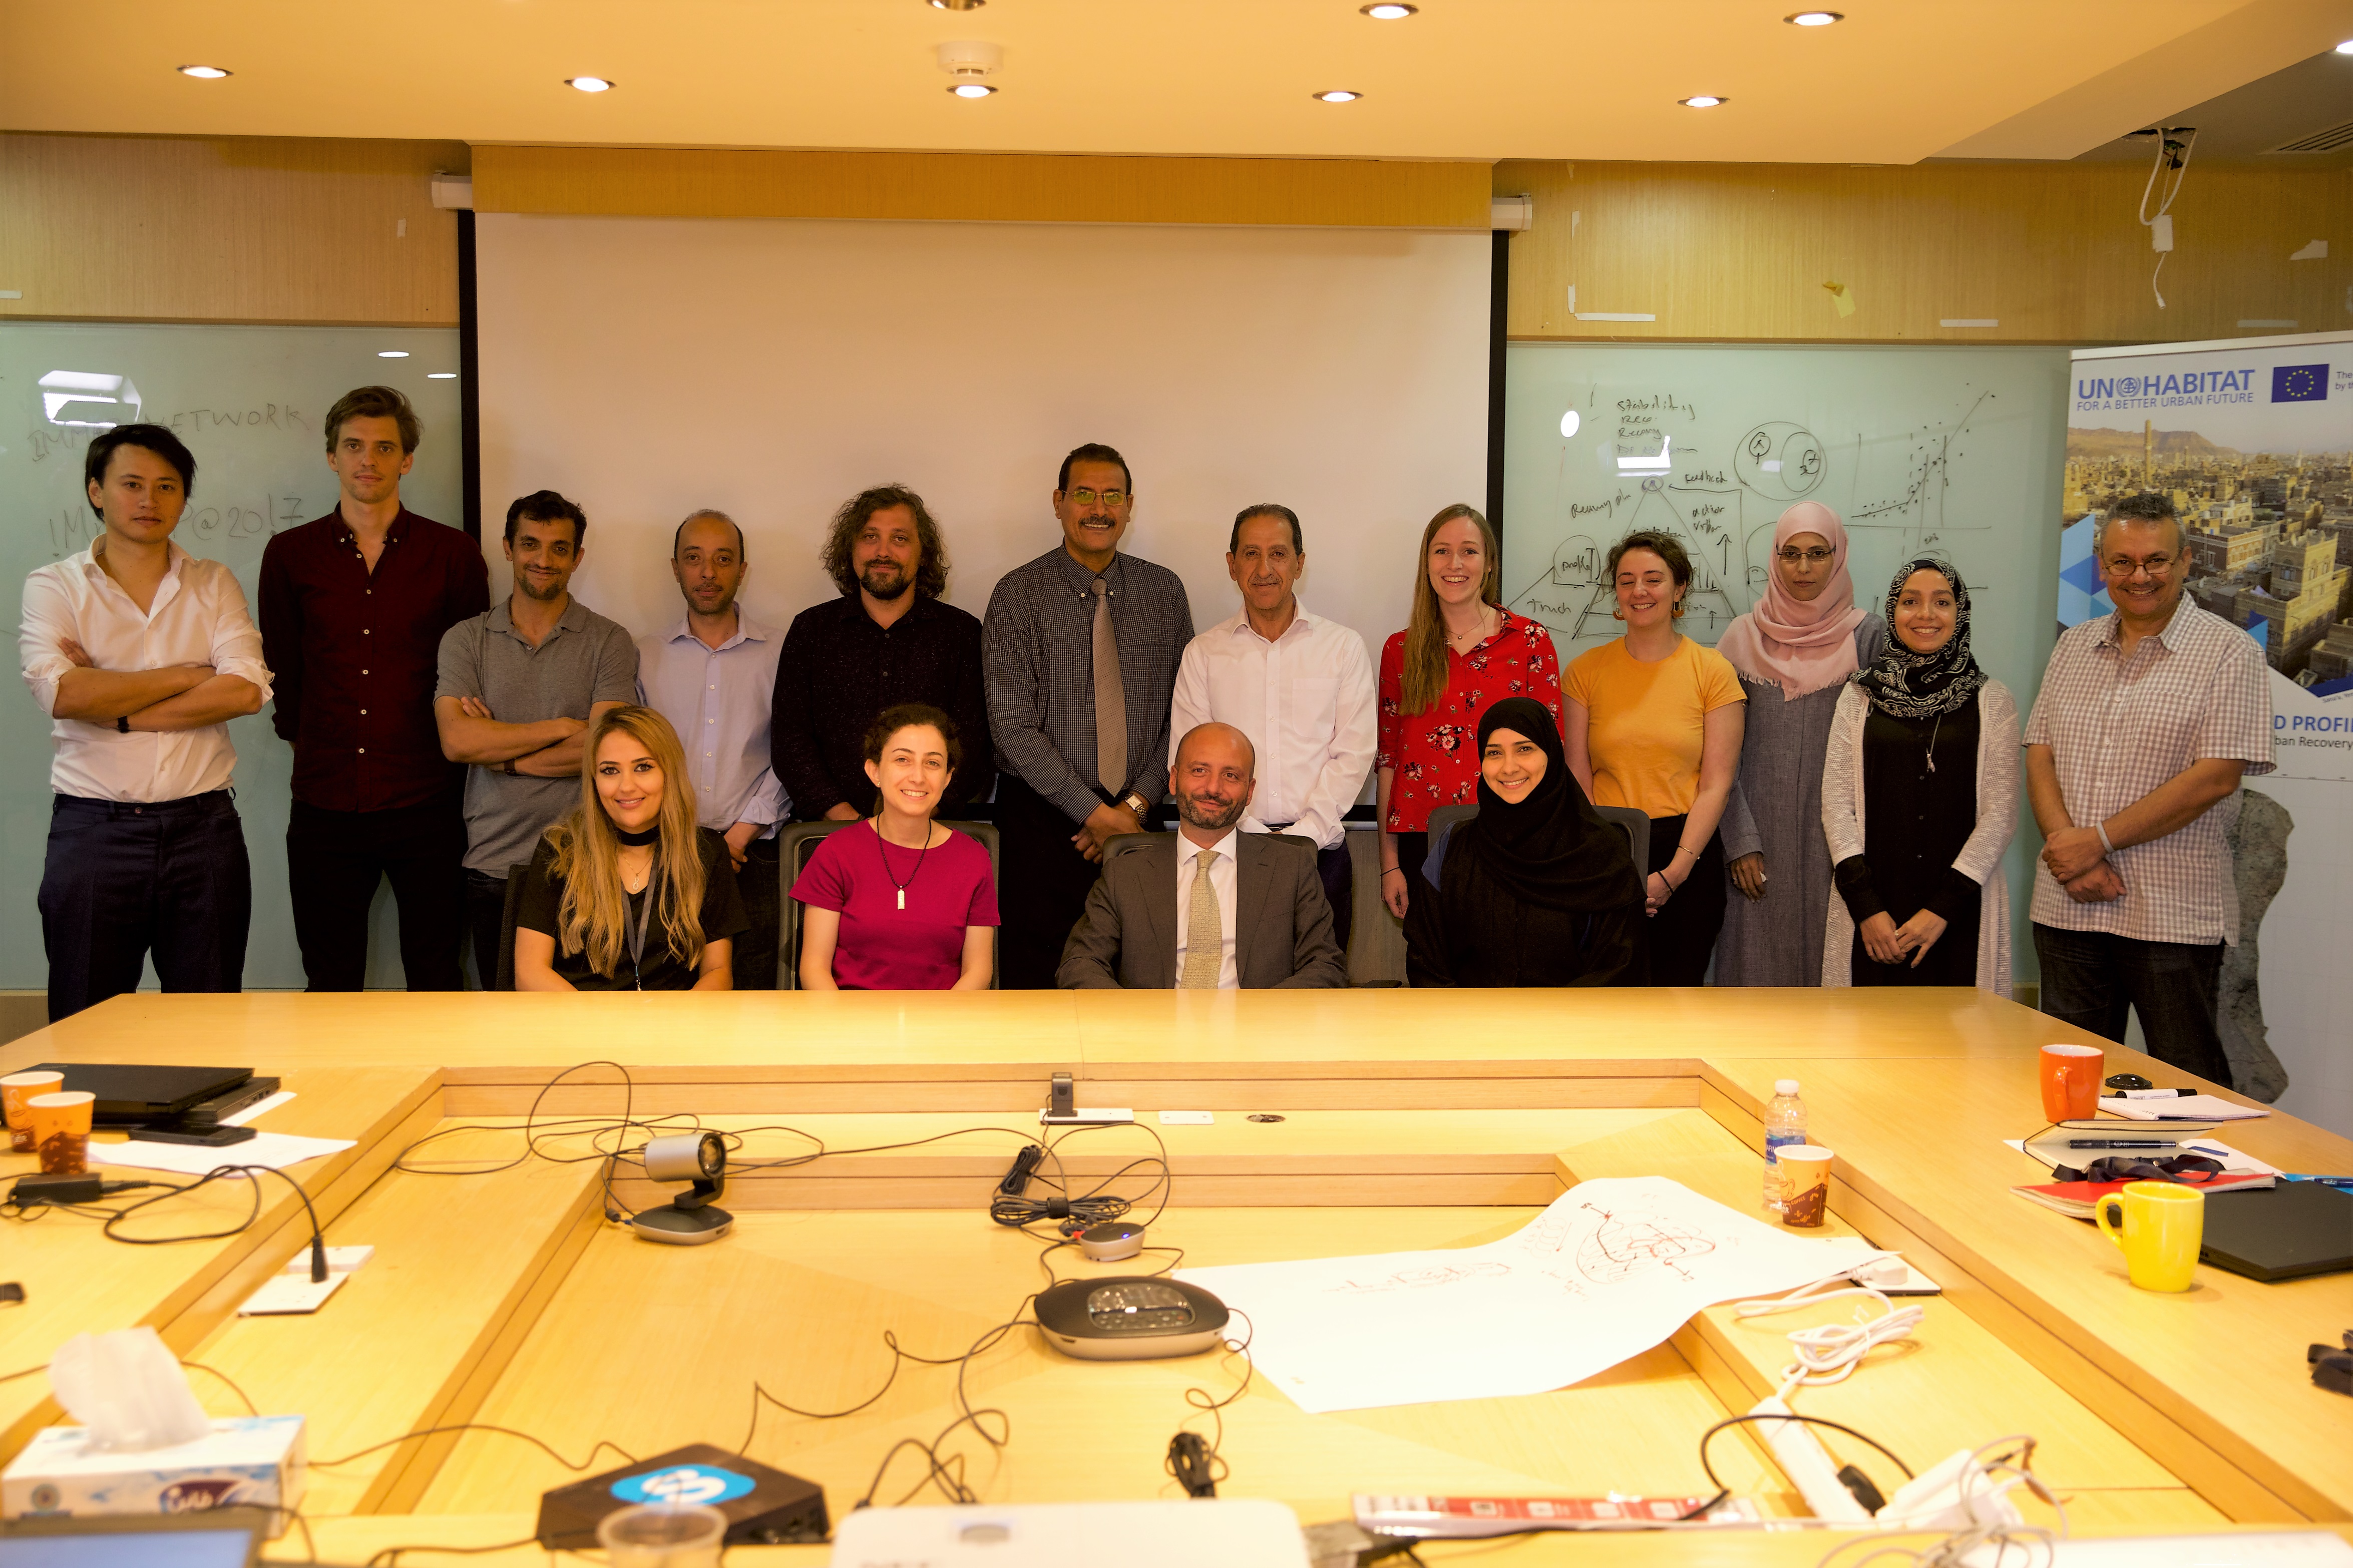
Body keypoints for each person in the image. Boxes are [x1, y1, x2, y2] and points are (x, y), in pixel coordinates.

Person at [20, 424, 271, 1021]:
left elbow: (245, 689)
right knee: (84, 1021)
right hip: (95, 832)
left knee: (209, 1022)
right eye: (131, 484)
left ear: (184, 499)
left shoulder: (213, 582)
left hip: (204, 829)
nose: (149, 500)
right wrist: (190, 673)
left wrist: (120, 710)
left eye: (167, 486)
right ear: (96, 491)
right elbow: (60, 692)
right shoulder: (53, 584)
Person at [2024, 493, 2273, 1080]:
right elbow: (2040, 752)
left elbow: (2215, 777)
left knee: (2186, 1084)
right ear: (2102, 567)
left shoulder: (2228, 653)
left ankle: (2188, 1179)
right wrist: (2071, 851)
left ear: (2186, 561)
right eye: (2122, 563)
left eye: (2155, 561)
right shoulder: (2072, 647)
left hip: (2171, 913)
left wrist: (2099, 840)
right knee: (2071, 1086)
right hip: (2068, 906)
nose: (2139, 576)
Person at [258, 386, 488, 993]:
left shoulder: (453, 556)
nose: (369, 459)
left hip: (428, 801)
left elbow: (470, 673)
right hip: (324, 803)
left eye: (385, 447)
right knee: (329, 981)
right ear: (331, 456)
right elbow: (282, 669)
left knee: (436, 974)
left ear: (406, 460)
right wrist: (312, 745)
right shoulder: (289, 556)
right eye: (354, 446)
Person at [985, 444, 1194, 987]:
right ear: (1058, 502)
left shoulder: (1164, 592)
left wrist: (1133, 806)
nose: (1097, 508)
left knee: (1144, 979)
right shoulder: (1016, 594)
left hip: (1142, 818)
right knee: (1038, 981)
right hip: (1041, 824)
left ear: (1129, 506)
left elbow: (1186, 710)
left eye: (1111, 496)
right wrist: (1095, 815)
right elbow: (1011, 726)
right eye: (1083, 494)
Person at [435, 491, 639, 988]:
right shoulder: (466, 640)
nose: (543, 560)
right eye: (530, 544)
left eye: (559, 548)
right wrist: (560, 728)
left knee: (586, 1027)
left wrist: (503, 756)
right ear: (507, 547)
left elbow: (604, 750)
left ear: (578, 557)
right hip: (493, 864)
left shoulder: (609, 641)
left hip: (586, 866)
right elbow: (458, 743)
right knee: (505, 1028)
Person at [1170, 503, 1375, 958]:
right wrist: (1252, 836)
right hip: (1226, 854)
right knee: (1230, 995)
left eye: (1279, 554)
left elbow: (1355, 753)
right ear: (1231, 564)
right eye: (1251, 554)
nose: (1265, 569)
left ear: (1300, 563)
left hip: (1321, 858)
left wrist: (1304, 837)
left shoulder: (1343, 648)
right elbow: (1191, 762)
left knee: (1317, 1003)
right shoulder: (1203, 654)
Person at [1820, 559, 2019, 991]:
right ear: (1893, 612)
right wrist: (1866, 909)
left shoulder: (1993, 701)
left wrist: (1941, 911)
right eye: (1911, 602)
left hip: (1960, 912)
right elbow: (1837, 808)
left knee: (1963, 1047)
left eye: (1941, 602)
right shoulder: (1858, 697)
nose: (1926, 614)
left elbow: (2001, 816)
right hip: (1872, 915)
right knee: (1860, 1048)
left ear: (1960, 613)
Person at [1713, 502, 1885, 987]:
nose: (1804, 568)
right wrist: (1739, 842)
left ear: (1837, 556)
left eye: (1816, 553)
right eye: (1790, 554)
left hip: (1839, 847)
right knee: (1752, 987)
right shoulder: (1739, 639)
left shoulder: (1868, 637)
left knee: (1833, 985)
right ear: (1774, 557)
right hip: (1755, 847)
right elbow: (1718, 754)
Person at [1564, 531, 1746, 986]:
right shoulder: (1584, 672)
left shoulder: (1713, 671)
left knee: (1677, 1004)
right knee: (1606, 1002)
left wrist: (1675, 873)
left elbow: (1717, 783)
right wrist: (1603, 858)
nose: (1639, 592)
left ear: (1679, 588)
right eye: (1626, 581)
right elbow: (1577, 772)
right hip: (1607, 848)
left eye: (1653, 579)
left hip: (1688, 850)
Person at [1376, 504, 1562, 921]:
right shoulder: (1400, 650)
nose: (1454, 564)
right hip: (1421, 841)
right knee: (1432, 973)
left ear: (1490, 563)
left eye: (1469, 551)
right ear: (1426, 565)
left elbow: (1553, 753)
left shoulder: (1530, 641)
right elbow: (1389, 759)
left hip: (1514, 836)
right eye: (1441, 551)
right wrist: (1389, 863)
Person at [1057, 722, 1348, 989]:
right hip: (1153, 1035)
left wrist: (1258, 1019)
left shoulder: (1291, 868)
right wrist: (1137, 1021)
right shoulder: (1126, 872)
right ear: (1173, 780)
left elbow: (1325, 967)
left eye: (1231, 775)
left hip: (1257, 1035)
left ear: (1250, 792)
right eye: (1199, 770)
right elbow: (1080, 964)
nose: (1213, 788)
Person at [772, 484, 992, 822]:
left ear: (923, 554)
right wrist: (841, 816)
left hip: (931, 832)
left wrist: (924, 814)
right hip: (831, 834)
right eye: (870, 537)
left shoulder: (961, 634)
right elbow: (790, 737)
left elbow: (974, 744)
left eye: (900, 539)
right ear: (851, 549)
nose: (883, 551)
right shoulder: (811, 630)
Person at [636, 510, 786, 988]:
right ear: (675, 567)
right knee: (669, 992)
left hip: (755, 856)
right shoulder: (644, 654)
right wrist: (683, 841)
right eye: (694, 558)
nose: (708, 572)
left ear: (742, 570)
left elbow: (794, 749)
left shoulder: (782, 651)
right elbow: (634, 758)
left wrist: (738, 838)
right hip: (664, 854)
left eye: (723, 559)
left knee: (755, 993)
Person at [1404, 697, 1647, 988]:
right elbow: (1425, 960)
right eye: (1494, 753)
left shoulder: (1603, 851)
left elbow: (1620, 968)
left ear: (1552, 754)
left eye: (1525, 749)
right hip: (1467, 1024)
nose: (1508, 768)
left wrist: (1551, 1028)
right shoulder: (1453, 847)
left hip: (1574, 1026)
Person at [513, 706, 745, 990]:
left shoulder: (706, 850)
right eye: (610, 771)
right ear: (594, 780)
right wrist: (601, 1032)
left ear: (669, 773)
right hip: (578, 1025)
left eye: (643, 767)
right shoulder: (561, 848)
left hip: (673, 1026)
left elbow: (718, 971)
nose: (626, 786)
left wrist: (678, 1031)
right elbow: (530, 972)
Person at [792, 704, 998, 990]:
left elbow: (978, 974)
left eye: (933, 763)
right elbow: (814, 972)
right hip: (850, 1024)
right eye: (903, 759)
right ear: (874, 771)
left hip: (943, 1025)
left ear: (948, 778)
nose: (918, 777)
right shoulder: (836, 852)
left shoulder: (973, 857)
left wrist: (939, 1030)